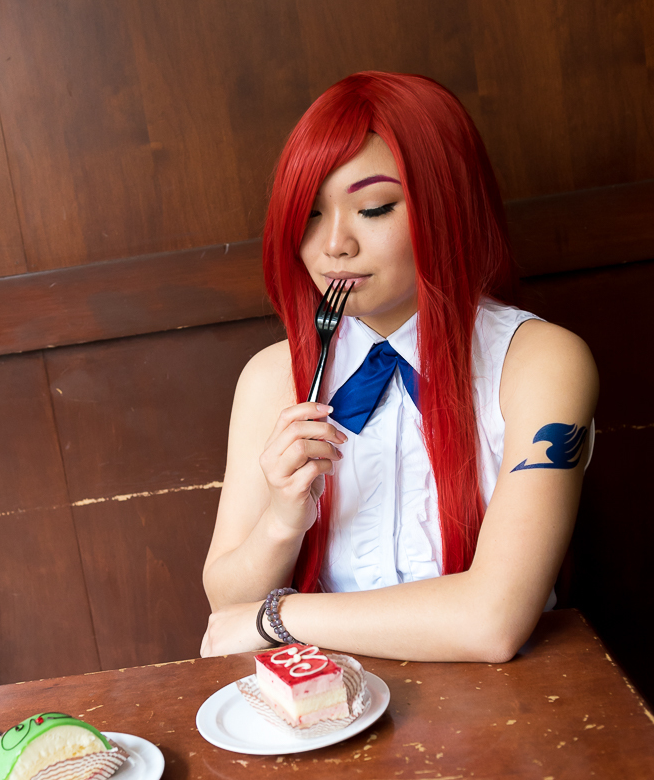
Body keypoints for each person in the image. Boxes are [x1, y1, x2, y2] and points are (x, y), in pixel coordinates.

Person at [201, 71, 598, 663]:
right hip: (332, 696)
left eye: (374, 208)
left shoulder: (541, 362)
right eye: (309, 214)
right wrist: (283, 519)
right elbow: (224, 607)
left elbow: (493, 621)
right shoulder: (271, 377)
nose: (334, 245)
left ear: (446, 205)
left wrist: (278, 617)